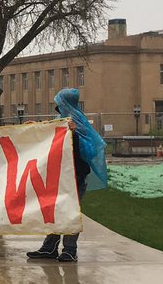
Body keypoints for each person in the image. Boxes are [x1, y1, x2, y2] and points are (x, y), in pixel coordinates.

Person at [27, 87, 107, 262]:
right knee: (56, 211)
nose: (57, 105)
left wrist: (74, 132)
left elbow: (93, 148)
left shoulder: (79, 124)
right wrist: (35, 128)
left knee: (70, 212)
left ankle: (70, 249)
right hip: (59, 176)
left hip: (75, 176)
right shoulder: (60, 121)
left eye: (59, 102)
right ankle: (50, 247)